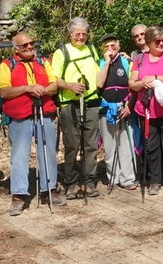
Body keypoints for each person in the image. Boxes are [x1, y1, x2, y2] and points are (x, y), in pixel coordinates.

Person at [0, 31, 66, 216]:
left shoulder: (43, 62)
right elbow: (3, 91)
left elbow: (53, 85)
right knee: (19, 156)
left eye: (31, 44)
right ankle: (19, 194)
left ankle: (48, 189)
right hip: (19, 117)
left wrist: (42, 90)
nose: (29, 47)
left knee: (48, 152)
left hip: (44, 113)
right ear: (15, 49)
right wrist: (28, 88)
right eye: (24, 45)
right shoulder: (7, 65)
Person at [128, 26, 163, 196]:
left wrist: (154, 79)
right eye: (157, 41)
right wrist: (141, 84)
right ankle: (155, 180)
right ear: (149, 42)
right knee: (151, 146)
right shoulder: (139, 59)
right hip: (146, 109)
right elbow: (132, 82)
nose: (161, 44)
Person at [51, 17, 102, 200]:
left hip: (91, 101)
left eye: (84, 34)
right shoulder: (61, 52)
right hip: (69, 104)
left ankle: (89, 181)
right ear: (70, 34)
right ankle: (71, 182)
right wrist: (70, 85)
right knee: (72, 145)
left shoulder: (91, 49)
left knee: (90, 144)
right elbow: (54, 79)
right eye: (77, 34)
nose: (81, 37)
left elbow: (98, 71)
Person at [97, 34, 137, 191]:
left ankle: (128, 178)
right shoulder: (98, 63)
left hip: (123, 107)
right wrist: (106, 62)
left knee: (125, 144)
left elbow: (133, 86)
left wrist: (129, 106)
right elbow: (98, 84)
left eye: (113, 46)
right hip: (105, 109)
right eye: (106, 47)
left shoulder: (127, 62)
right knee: (109, 144)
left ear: (119, 47)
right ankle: (112, 177)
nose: (110, 49)